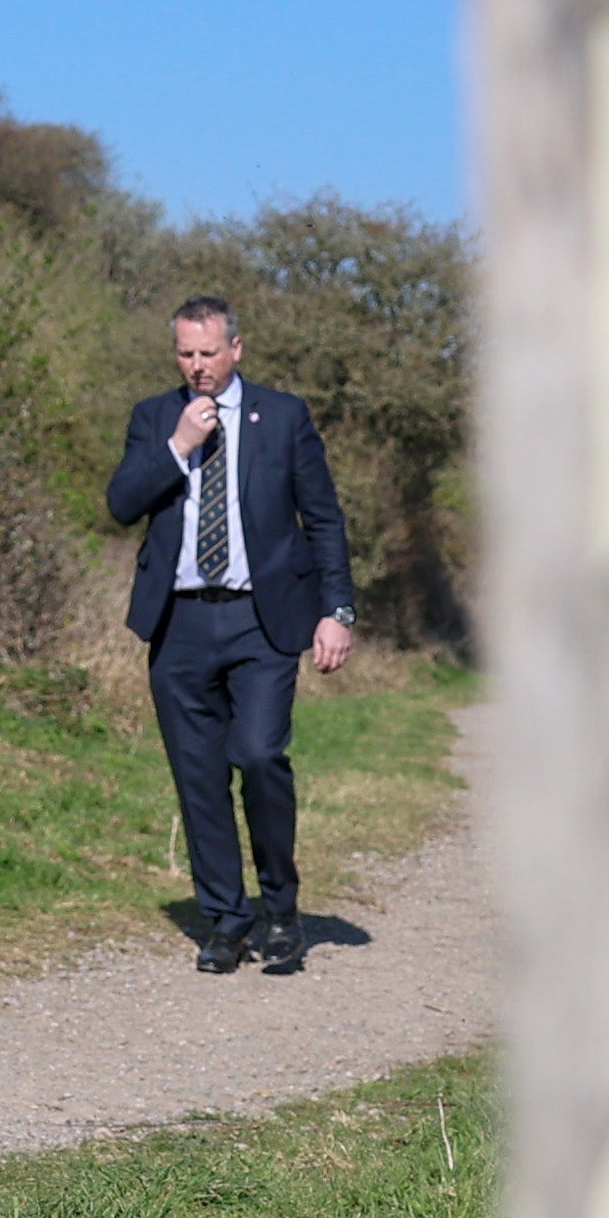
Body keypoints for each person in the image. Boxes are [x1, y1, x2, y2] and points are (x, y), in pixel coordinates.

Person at [107, 296, 359, 977]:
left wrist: (336, 611)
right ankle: (225, 920)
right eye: (185, 354)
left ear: (236, 349)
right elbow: (121, 503)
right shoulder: (154, 418)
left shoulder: (283, 416)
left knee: (257, 753)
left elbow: (323, 518)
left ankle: (280, 909)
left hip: (262, 619)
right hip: (179, 622)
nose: (197, 366)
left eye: (208, 353)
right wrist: (177, 447)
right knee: (198, 776)